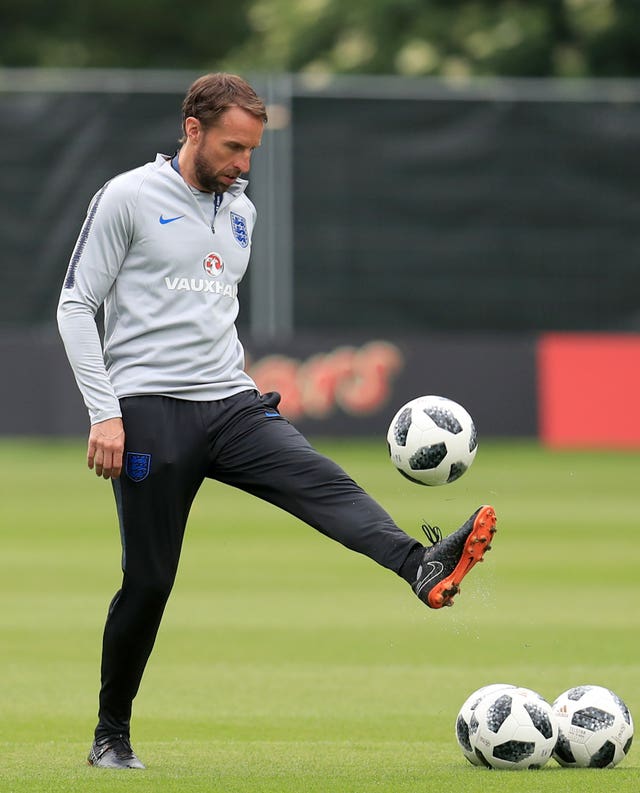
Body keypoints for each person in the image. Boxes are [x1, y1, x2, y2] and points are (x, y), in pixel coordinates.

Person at [57, 72, 497, 770]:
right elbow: (77, 305)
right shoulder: (128, 197)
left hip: (230, 402)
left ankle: (420, 564)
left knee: (319, 480)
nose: (243, 164)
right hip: (148, 410)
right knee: (149, 581)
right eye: (234, 147)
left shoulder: (241, 210)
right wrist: (105, 413)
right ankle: (111, 734)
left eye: (253, 151)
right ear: (192, 129)